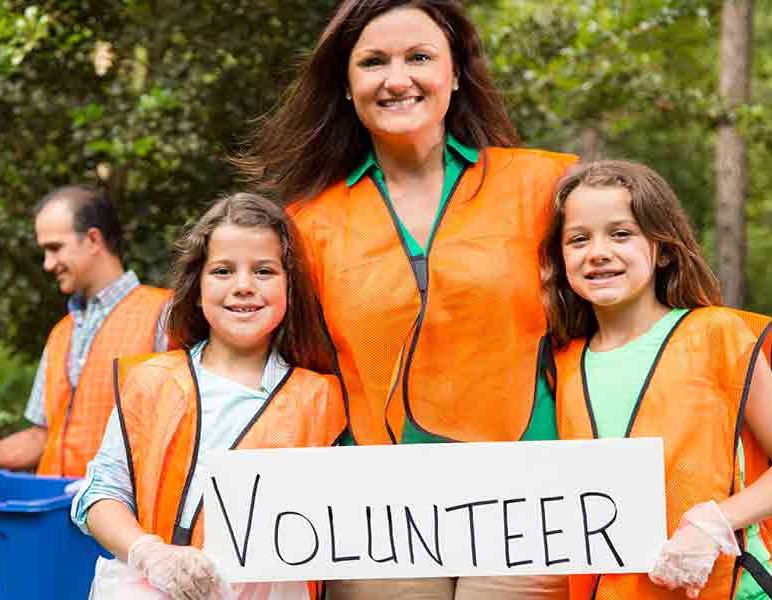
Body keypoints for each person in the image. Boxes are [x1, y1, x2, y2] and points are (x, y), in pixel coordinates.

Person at [235, 0, 575, 597]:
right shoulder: (304, 223)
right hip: (377, 511)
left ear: (455, 73)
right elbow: (277, 368)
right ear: (345, 84)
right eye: (373, 62)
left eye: (419, 57)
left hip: (527, 497)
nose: (397, 79)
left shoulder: (543, 186)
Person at [539, 160, 772, 600]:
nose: (597, 251)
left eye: (621, 234)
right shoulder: (559, 365)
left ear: (663, 248)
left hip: (733, 590)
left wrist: (714, 524)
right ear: (560, 258)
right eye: (578, 239)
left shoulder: (715, 334)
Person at [71, 193, 346, 600]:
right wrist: (149, 554)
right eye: (222, 270)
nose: (243, 287)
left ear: (291, 288)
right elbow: (100, 493)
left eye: (264, 271)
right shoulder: (150, 383)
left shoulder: (321, 400)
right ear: (196, 289)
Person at [0, 185, 171, 477]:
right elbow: (41, 437)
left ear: (93, 240)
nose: (47, 264)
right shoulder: (61, 333)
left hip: (124, 517)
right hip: (55, 514)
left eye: (55, 248)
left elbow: (184, 432)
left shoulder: (162, 314)